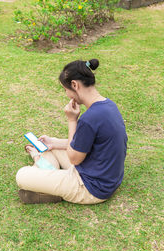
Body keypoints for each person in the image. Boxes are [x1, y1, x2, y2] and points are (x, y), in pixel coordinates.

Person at [16, 59, 128, 204]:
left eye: (66, 90)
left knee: (22, 175)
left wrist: (72, 120)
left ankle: (41, 167)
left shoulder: (89, 119)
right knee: (50, 147)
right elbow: (89, 144)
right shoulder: (108, 105)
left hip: (90, 188)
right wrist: (54, 143)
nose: (67, 94)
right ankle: (47, 171)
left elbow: (74, 159)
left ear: (75, 85)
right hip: (103, 176)